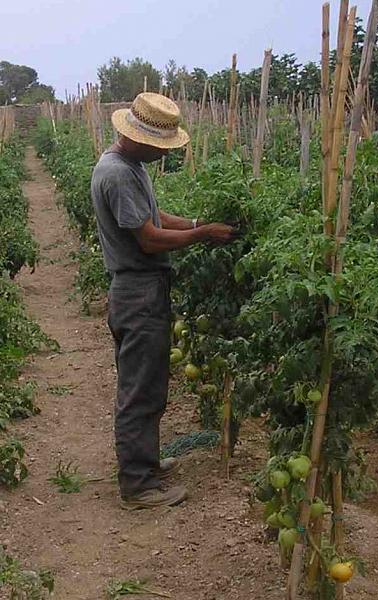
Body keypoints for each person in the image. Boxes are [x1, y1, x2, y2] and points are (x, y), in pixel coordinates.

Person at [91, 92, 237, 510]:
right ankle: (138, 486)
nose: (162, 153)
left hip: (141, 291)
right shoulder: (117, 174)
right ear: (139, 138)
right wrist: (203, 234)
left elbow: (155, 218)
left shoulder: (128, 165)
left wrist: (195, 223)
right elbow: (150, 239)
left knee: (149, 385)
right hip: (138, 293)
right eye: (160, 146)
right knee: (139, 390)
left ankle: (147, 464)